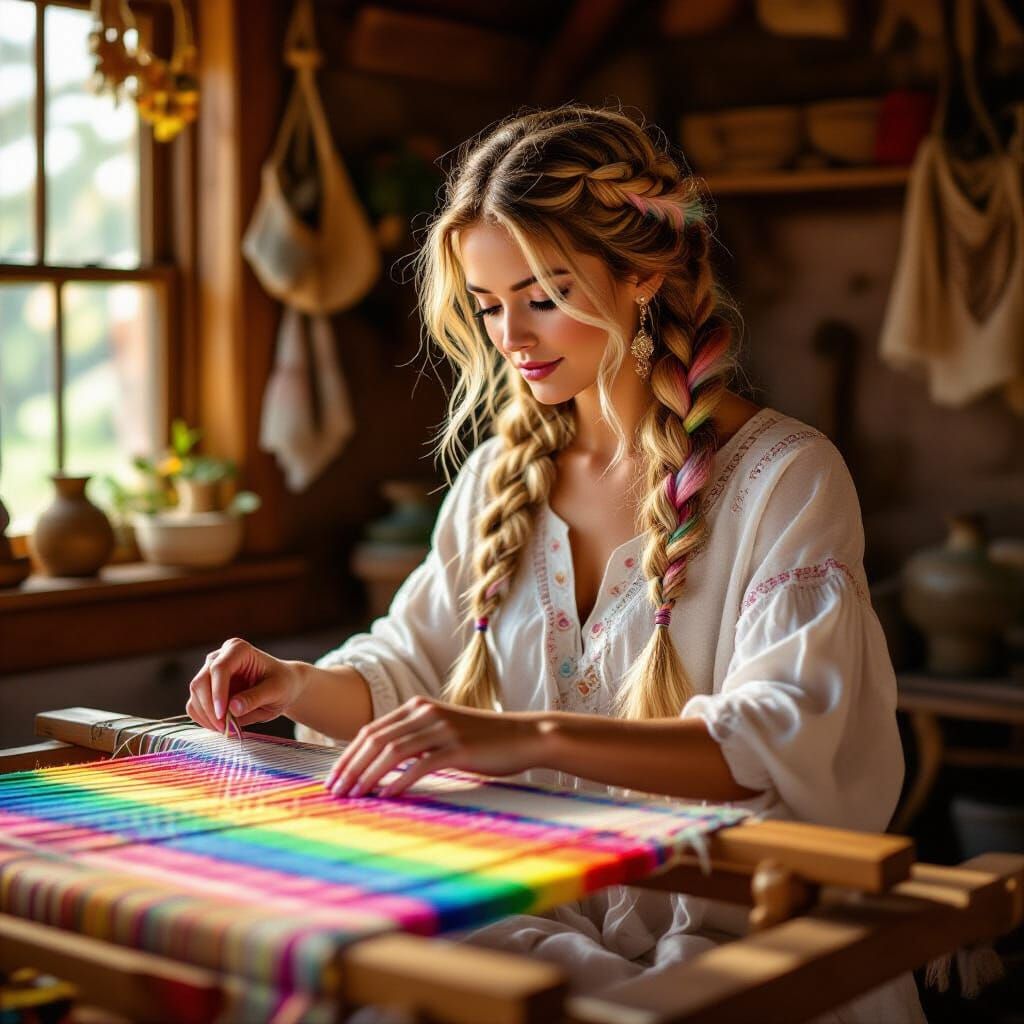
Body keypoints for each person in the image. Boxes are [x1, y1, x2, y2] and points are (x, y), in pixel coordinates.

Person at [186, 104, 926, 1023]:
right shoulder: (501, 477)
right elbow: (407, 673)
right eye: (487, 304)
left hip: (736, 930)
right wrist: (295, 685)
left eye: (543, 296)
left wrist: (528, 736)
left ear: (642, 274)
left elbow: (775, 738)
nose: (511, 337)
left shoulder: (785, 478)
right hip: (537, 913)